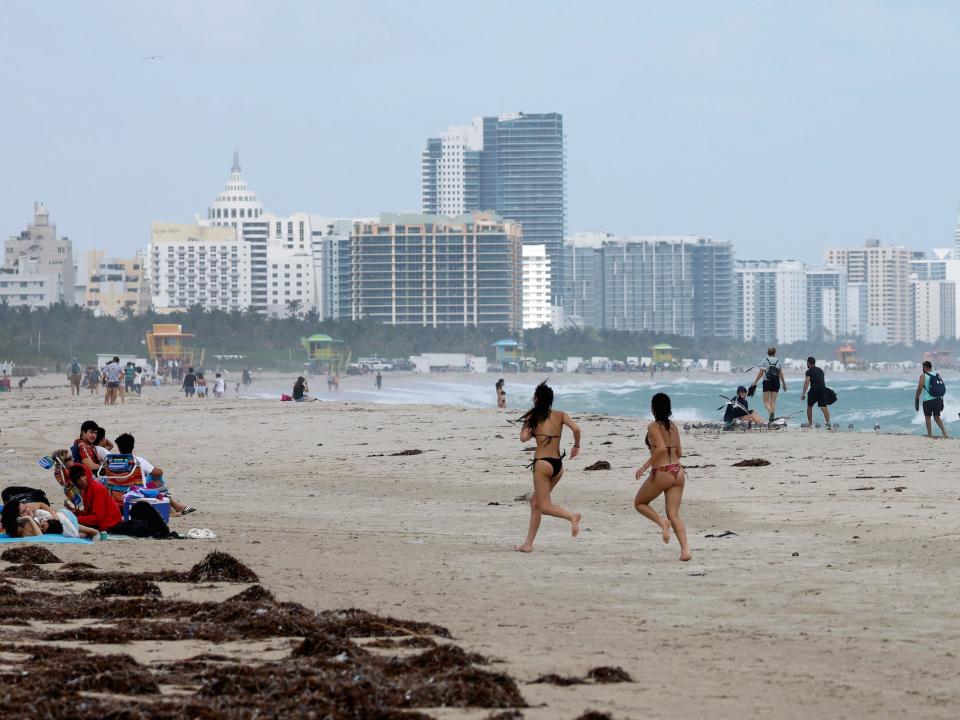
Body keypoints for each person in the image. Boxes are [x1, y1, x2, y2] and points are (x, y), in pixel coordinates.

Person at [514, 382, 582, 553]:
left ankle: (571, 516)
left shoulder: (534, 418)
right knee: (535, 503)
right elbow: (577, 429)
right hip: (558, 466)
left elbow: (523, 438)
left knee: (544, 506)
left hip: (542, 464)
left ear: (536, 399)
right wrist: (576, 446)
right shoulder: (561, 415)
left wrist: (529, 426)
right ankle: (528, 544)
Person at [633, 393, 691, 562]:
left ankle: (662, 523)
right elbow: (679, 452)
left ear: (653, 408)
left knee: (640, 503)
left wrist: (644, 467)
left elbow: (660, 450)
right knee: (674, 515)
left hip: (663, 471)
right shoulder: (673, 426)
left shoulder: (653, 427)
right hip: (678, 471)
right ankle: (685, 550)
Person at [67, 464, 174, 538]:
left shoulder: (95, 488)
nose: (81, 480)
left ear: (86, 474)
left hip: (113, 525)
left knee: (146, 528)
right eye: (78, 478)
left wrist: (76, 518)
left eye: (82, 475)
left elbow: (97, 517)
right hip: (109, 524)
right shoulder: (86, 491)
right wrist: (75, 512)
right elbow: (90, 514)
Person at [112, 432, 195, 515]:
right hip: (136, 493)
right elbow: (159, 473)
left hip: (117, 495)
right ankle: (170, 509)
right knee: (156, 477)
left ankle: (175, 506)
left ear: (119, 448)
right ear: (133, 447)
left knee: (151, 477)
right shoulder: (138, 461)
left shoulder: (111, 462)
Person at [751, 347, 787, 423]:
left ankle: (771, 413)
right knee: (773, 402)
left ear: (768, 353)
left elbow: (761, 372)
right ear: (774, 353)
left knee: (765, 401)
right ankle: (772, 420)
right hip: (776, 382)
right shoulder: (778, 361)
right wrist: (784, 384)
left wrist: (755, 382)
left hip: (767, 382)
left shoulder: (765, 360)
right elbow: (781, 374)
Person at [915, 360, 948, 438]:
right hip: (938, 399)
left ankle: (930, 435)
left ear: (925, 367)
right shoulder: (937, 375)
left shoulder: (923, 376)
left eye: (923, 367)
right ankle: (945, 433)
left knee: (928, 417)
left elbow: (920, 387)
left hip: (928, 400)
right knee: (937, 417)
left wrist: (917, 398)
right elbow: (941, 386)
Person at [801, 356, 831, 427]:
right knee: (824, 407)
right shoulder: (821, 370)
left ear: (808, 363)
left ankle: (810, 424)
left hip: (814, 391)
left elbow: (807, 382)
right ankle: (828, 423)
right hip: (822, 390)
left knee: (809, 407)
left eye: (807, 363)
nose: (807, 364)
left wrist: (803, 393)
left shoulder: (809, 371)